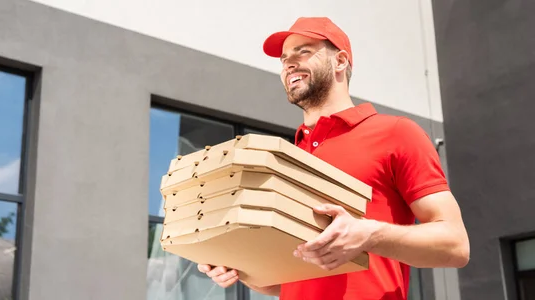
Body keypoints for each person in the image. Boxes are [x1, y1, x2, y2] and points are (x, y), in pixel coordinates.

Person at [197, 17, 470, 299]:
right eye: (283, 59)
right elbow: (288, 280)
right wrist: (238, 268)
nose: (289, 63)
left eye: (303, 51)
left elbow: (456, 245)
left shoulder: (397, 134)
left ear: (340, 61)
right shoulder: (289, 159)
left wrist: (369, 235)